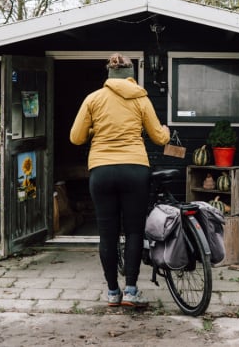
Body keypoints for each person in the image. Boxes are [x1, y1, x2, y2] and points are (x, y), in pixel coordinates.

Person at [69, 53, 170, 307]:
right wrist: (166, 133)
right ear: (131, 75)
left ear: (109, 74)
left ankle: (113, 292)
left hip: (101, 171)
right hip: (135, 170)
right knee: (134, 231)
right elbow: (158, 137)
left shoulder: (93, 99)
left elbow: (76, 137)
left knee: (107, 233)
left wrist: (95, 130)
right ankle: (131, 291)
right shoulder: (141, 99)